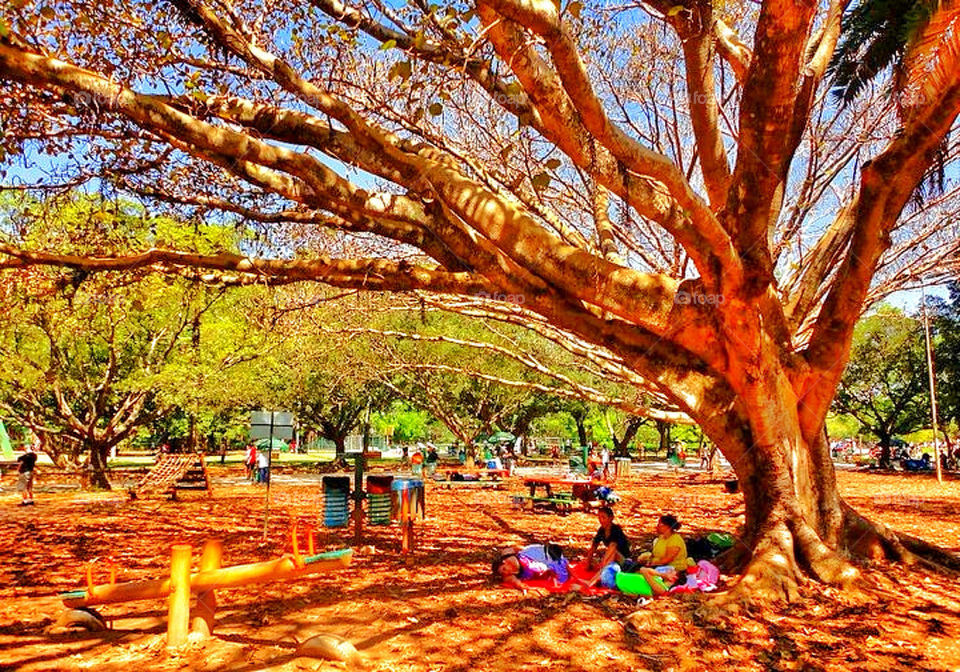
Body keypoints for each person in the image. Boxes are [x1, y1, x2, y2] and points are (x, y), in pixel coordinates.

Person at [582, 506, 631, 587]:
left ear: (611, 518)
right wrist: (588, 562)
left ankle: (592, 581)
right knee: (589, 561)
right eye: (599, 517)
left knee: (612, 549)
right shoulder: (601, 530)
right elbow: (594, 547)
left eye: (603, 517)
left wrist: (603, 563)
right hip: (612, 558)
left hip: (623, 560)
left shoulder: (616, 530)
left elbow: (613, 547)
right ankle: (601, 569)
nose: (601, 520)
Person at [492, 543, 570, 593]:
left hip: (533, 557)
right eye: (502, 573)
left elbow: (521, 548)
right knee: (559, 574)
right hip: (537, 569)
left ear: (504, 562)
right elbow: (517, 583)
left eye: (504, 569)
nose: (506, 572)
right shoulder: (508, 577)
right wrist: (523, 587)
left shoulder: (507, 553)